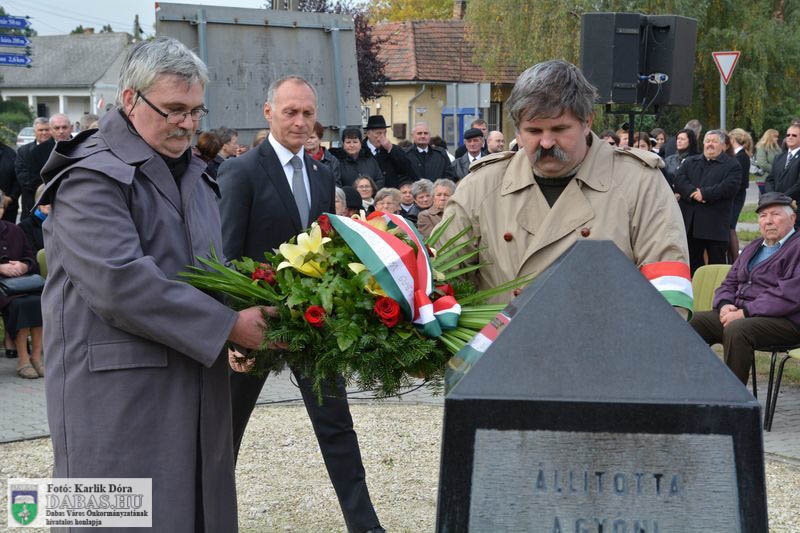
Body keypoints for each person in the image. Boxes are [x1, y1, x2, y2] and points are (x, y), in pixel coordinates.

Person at [38, 37, 267, 531]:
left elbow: (206, 271)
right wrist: (228, 326)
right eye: (174, 109)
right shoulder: (90, 176)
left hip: (193, 387)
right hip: (118, 401)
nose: (187, 123)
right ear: (130, 99)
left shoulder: (194, 173)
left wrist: (258, 313)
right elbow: (121, 283)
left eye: (196, 111)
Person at [217, 75, 384, 533]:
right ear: (268, 112)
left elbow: (321, 246)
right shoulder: (240, 171)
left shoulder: (321, 172)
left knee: (336, 425)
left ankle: (365, 525)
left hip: (311, 321)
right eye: (290, 111)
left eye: (308, 113)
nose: (300, 121)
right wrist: (232, 328)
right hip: (255, 324)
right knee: (225, 430)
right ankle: (205, 517)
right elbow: (226, 256)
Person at [435, 59, 691, 311]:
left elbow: (668, 295)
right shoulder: (480, 187)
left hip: (607, 338)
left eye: (559, 129)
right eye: (534, 131)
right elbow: (441, 281)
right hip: (502, 338)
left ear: (587, 121)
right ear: (518, 129)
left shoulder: (640, 182)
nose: (546, 142)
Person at [690, 192, 800, 384]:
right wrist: (724, 304)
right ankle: (692, 389)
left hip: (785, 321)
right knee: (693, 322)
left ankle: (733, 398)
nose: (768, 221)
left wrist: (745, 312)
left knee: (738, 329)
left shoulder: (796, 248)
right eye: (763, 216)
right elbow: (729, 282)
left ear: (792, 218)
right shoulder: (754, 247)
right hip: (744, 315)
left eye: (775, 214)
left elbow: (788, 295)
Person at [673, 130, 741, 274]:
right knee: (692, 264)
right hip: (691, 225)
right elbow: (679, 180)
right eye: (707, 141)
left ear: (723, 145)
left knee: (717, 265)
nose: (710, 144)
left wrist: (704, 194)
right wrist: (692, 192)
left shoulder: (732, 165)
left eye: (714, 141)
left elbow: (729, 186)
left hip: (715, 224)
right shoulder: (691, 162)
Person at [0, 191, 42, 379]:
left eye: (0, 207)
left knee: (39, 301)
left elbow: (31, 257)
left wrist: (24, 265)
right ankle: (23, 360)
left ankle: (36, 358)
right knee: (21, 305)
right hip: (3, 287)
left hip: (22, 284)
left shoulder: (14, 230)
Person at [15, 117, 54, 221]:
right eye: (41, 130)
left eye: (47, 129)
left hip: (53, 201)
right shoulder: (23, 151)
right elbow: (21, 174)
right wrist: (41, 189)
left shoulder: (57, 149)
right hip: (30, 201)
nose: (44, 133)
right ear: (34, 131)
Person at [363, 115, 412, 187]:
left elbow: (406, 168)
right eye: (378, 133)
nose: (382, 137)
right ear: (368, 134)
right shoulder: (361, 150)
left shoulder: (393, 149)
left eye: (384, 133)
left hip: (389, 191)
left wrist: (391, 149)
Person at [728, 128, 753, 261]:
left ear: (733, 139)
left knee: (730, 227)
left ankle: (735, 258)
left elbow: (741, 181)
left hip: (736, 196)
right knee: (729, 227)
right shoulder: (740, 155)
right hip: (737, 195)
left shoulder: (741, 156)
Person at [766, 123, 800, 210]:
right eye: (788, 135)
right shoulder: (779, 157)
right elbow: (770, 179)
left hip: (795, 204)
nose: (790, 137)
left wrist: (782, 198)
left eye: (794, 135)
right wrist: (773, 196)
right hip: (777, 204)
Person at [306, 121, 341, 185]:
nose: (308, 140)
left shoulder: (332, 161)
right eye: (306, 137)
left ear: (320, 139)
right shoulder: (297, 158)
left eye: (312, 137)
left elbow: (336, 184)